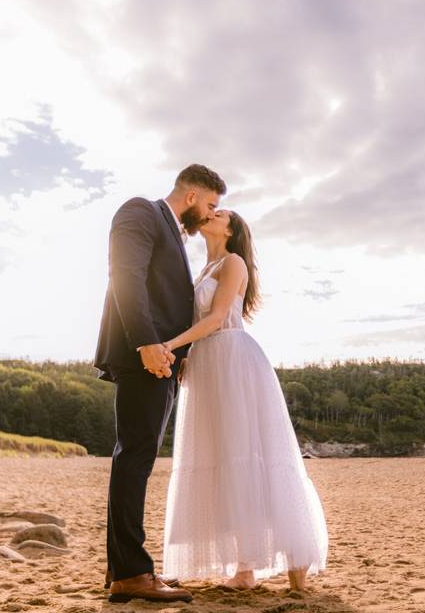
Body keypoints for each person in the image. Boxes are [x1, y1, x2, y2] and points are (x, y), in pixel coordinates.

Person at [160, 209, 329, 591]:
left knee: (252, 454)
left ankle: (296, 562)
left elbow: (219, 317)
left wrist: (170, 346)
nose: (209, 214)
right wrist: (187, 357)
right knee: (222, 457)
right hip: (208, 364)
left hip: (233, 360)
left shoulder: (234, 262)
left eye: (219, 213)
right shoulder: (203, 269)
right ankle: (245, 569)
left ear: (232, 229)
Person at [93, 164, 226, 604]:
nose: (209, 213)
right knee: (134, 457)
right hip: (144, 356)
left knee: (136, 456)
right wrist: (147, 343)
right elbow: (125, 277)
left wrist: (175, 354)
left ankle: (124, 570)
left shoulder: (170, 232)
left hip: (162, 360)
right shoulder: (141, 212)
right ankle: (131, 573)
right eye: (210, 204)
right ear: (191, 196)